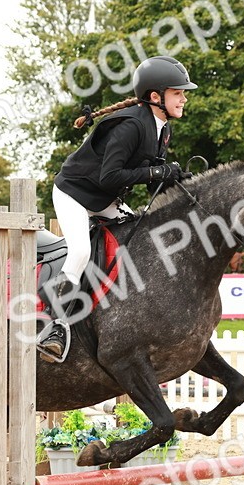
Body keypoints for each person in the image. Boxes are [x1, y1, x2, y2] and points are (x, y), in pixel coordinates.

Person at [37, 55, 198, 362]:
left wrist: (175, 180)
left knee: (138, 239)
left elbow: (149, 177)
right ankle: (53, 326)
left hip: (105, 198)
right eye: (178, 93)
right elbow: (110, 175)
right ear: (156, 97)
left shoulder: (161, 128)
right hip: (75, 193)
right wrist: (156, 173)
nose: (184, 98)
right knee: (81, 251)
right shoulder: (130, 127)